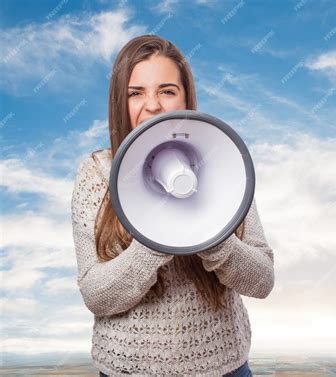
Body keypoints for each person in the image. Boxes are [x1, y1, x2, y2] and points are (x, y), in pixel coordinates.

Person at [71, 34, 275, 376]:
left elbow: (262, 281)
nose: (152, 105)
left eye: (167, 91)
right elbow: (96, 295)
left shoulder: (224, 161)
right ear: (119, 102)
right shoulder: (95, 172)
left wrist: (210, 231)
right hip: (125, 370)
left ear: (186, 97)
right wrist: (158, 236)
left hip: (223, 367)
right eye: (136, 93)